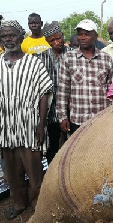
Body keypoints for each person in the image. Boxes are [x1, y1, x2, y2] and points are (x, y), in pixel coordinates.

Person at [0, 20, 53, 219]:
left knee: (35, 170)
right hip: (5, 128)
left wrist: (41, 124)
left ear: (21, 36)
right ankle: (19, 203)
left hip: (29, 126)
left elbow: (44, 94)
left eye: (12, 35)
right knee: (12, 172)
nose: (8, 39)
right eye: (4, 36)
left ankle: (38, 205)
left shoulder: (34, 63)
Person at [56, 19, 113, 134]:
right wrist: (62, 117)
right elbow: (63, 90)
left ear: (95, 36)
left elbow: (110, 90)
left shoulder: (106, 58)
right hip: (77, 120)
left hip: (101, 119)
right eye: (80, 34)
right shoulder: (69, 58)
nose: (82, 37)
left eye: (87, 34)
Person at [37, 21, 72, 164]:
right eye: (52, 40)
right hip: (51, 109)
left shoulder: (73, 54)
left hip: (70, 107)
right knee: (53, 146)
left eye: (59, 38)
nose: (57, 42)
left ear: (63, 36)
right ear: (47, 41)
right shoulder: (40, 58)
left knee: (71, 144)